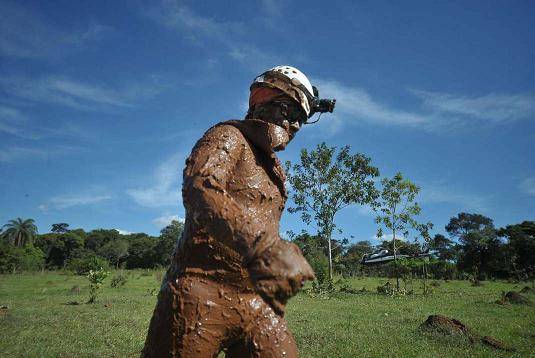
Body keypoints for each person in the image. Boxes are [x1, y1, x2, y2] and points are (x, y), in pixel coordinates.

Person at [143, 66, 330, 358]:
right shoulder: (228, 136)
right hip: (199, 293)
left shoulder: (273, 168)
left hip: (257, 303)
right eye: (289, 112)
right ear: (261, 102)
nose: (294, 126)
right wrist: (264, 247)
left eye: (301, 121)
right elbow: (200, 187)